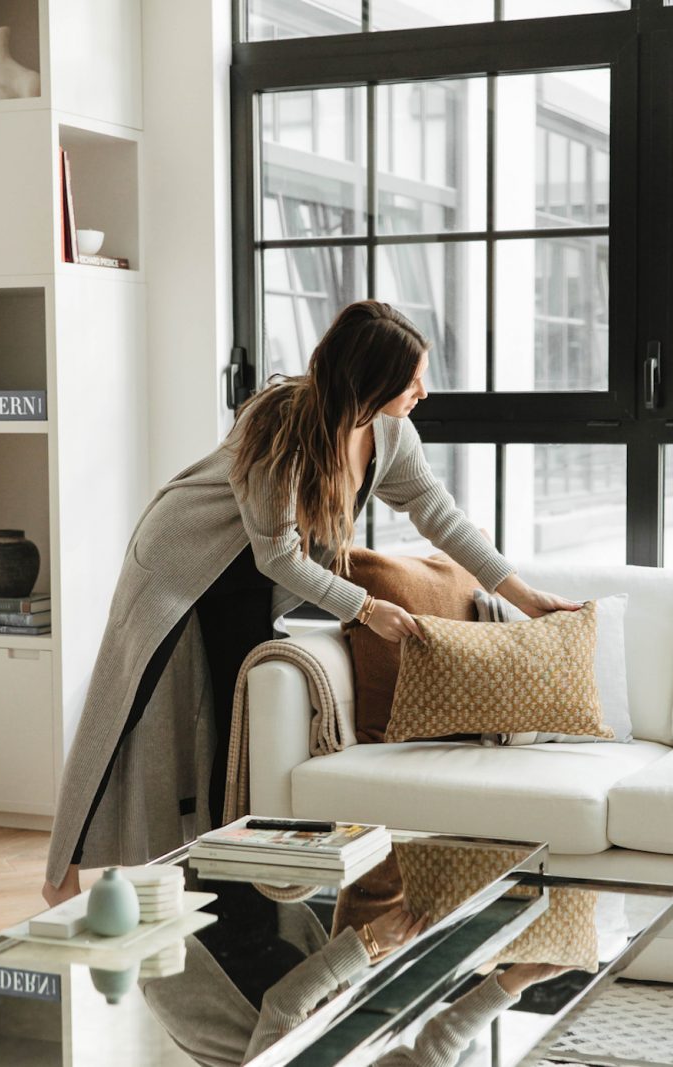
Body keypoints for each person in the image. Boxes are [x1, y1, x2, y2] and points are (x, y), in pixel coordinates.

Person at [43, 300, 578, 906]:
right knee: (125, 712)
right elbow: (279, 555)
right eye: (412, 379)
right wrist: (365, 607)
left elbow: (444, 519)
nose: (423, 392)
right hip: (181, 562)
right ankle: (59, 875)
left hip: (246, 579)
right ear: (370, 380)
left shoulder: (391, 436)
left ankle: (224, 878)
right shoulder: (278, 425)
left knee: (229, 727)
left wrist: (523, 595)